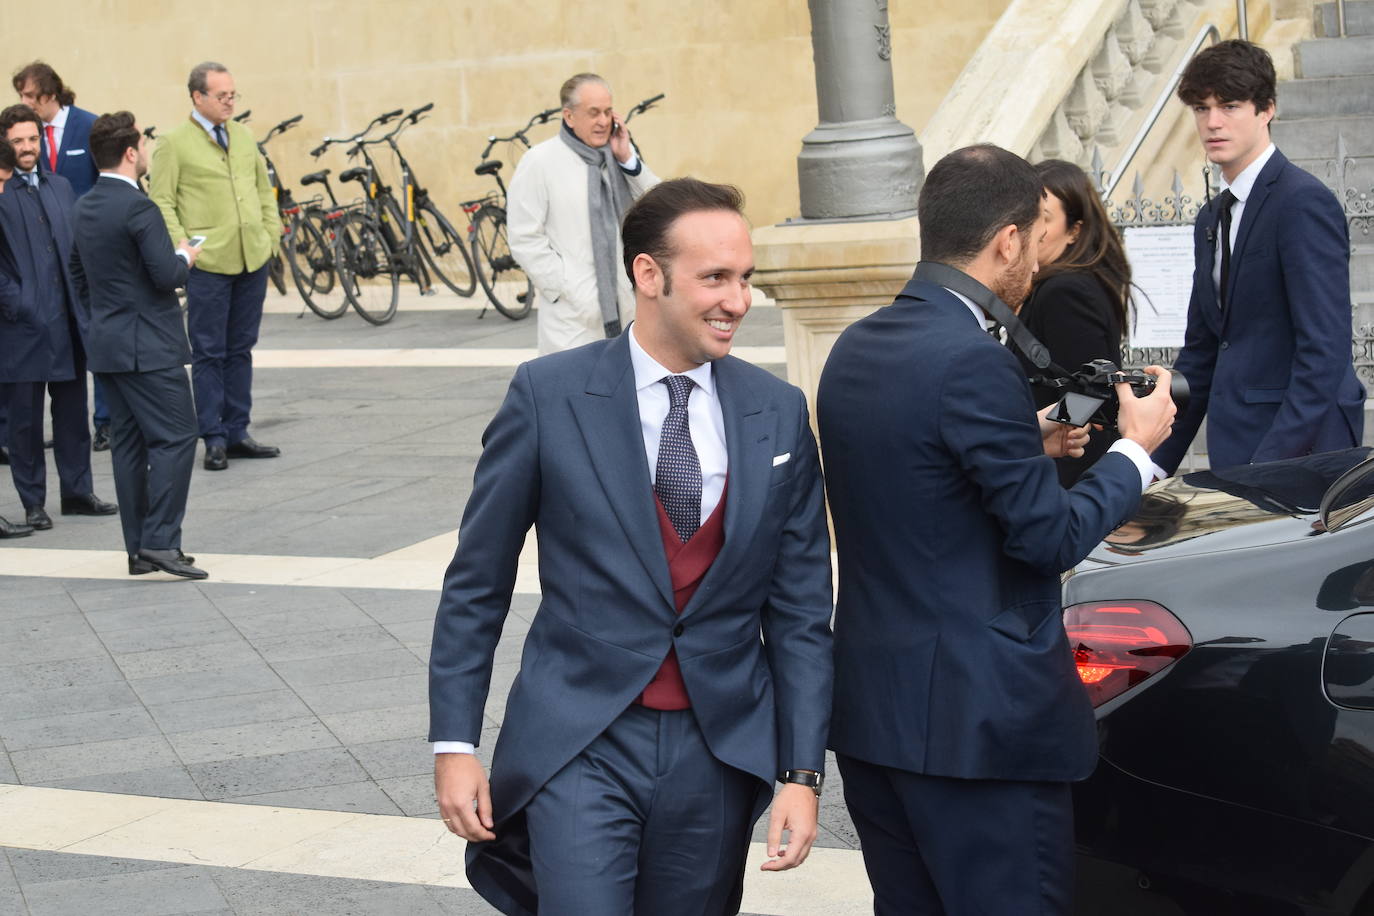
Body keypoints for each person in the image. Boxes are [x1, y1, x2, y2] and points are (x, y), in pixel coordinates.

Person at [430, 178, 833, 916]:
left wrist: (801, 776)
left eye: (744, 279)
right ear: (649, 275)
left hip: (718, 750)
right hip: (581, 739)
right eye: (715, 278)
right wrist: (453, 744)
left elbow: (803, 614)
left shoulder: (776, 412)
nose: (737, 301)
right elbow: (476, 583)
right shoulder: (548, 397)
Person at [817, 144, 1178, 915]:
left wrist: (1026, 440)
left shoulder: (854, 349)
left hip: (877, 721)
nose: (1037, 263)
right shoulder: (972, 363)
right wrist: (1135, 452)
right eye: (1034, 241)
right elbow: (1047, 539)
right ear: (1007, 240)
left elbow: (916, 482)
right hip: (982, 734)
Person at [1152, 39, 1364, 475]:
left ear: (1266, 109)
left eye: (1229, 106)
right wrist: (1150, 465)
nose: (1213, 122)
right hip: (1238, 446)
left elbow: (1324, 352)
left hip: (1304, 449)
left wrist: (1268, 463)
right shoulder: (1211, 216)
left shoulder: (1301, 203)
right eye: (1201, 108)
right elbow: (1201, 352)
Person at [69, 111, 207, 580]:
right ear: (131, 153)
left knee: (128, 445)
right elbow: (167, 276)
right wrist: (186, 254)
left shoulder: (85, 204)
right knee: (177, 436)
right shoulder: (138, 208)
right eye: (142, 147)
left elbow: (77, 274)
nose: (145, 153)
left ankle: (139, 550)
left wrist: (98, 320)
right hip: (149, 346)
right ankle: (161, 542)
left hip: (107, 344)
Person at [149, 61, 281, 472]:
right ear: (197, 97)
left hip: (251, 256)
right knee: (209, 351)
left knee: (241, 348)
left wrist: (270, 235)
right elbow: (162, 200)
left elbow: (263, 189)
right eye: (221, 95)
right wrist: (183, 248)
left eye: (232, 95)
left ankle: (238, 429)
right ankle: (213, 435)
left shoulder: (243, 136)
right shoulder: (174, 143)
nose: (229, 102)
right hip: (210, 262)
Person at [0, 104, 116, 531]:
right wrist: (18, 304)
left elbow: (75, 252)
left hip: (67, 323)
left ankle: (78, 491)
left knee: (72, 414)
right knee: (26, 423)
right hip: (21, 329)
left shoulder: (61, 186)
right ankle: (33, 502)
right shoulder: (2, 190)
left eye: (32, 139)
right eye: (18, 141)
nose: (28, 148)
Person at [507, 72, 660, 355]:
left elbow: (660, 206)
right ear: (569, 116)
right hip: (572, 316)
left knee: (625, 391)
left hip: (629, 307)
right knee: (571, 393)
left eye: (607, 112)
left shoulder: (619, 157)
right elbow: (523, 237)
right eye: (593, 113)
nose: (603, 121)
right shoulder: (540, 162)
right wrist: (564, 287)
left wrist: (628, 160)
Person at [13, 61, 112, 451]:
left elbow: (104, 182)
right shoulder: (25, 139)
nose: (23, 102)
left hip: (89, 249)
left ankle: (105, 420)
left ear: (49, 95)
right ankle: (66, 426)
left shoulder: (88, 126)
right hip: (47, 259)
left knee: (96, 335)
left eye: (28, 95)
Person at [1016, 158, 1133, 485]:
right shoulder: (1058, 286)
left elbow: (1093, 391)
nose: (1034, 229)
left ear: (1074, 231)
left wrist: (1052, 432)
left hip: (1070, 471)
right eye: (1028, 216)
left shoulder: (1065, 291)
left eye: (1045, 218)